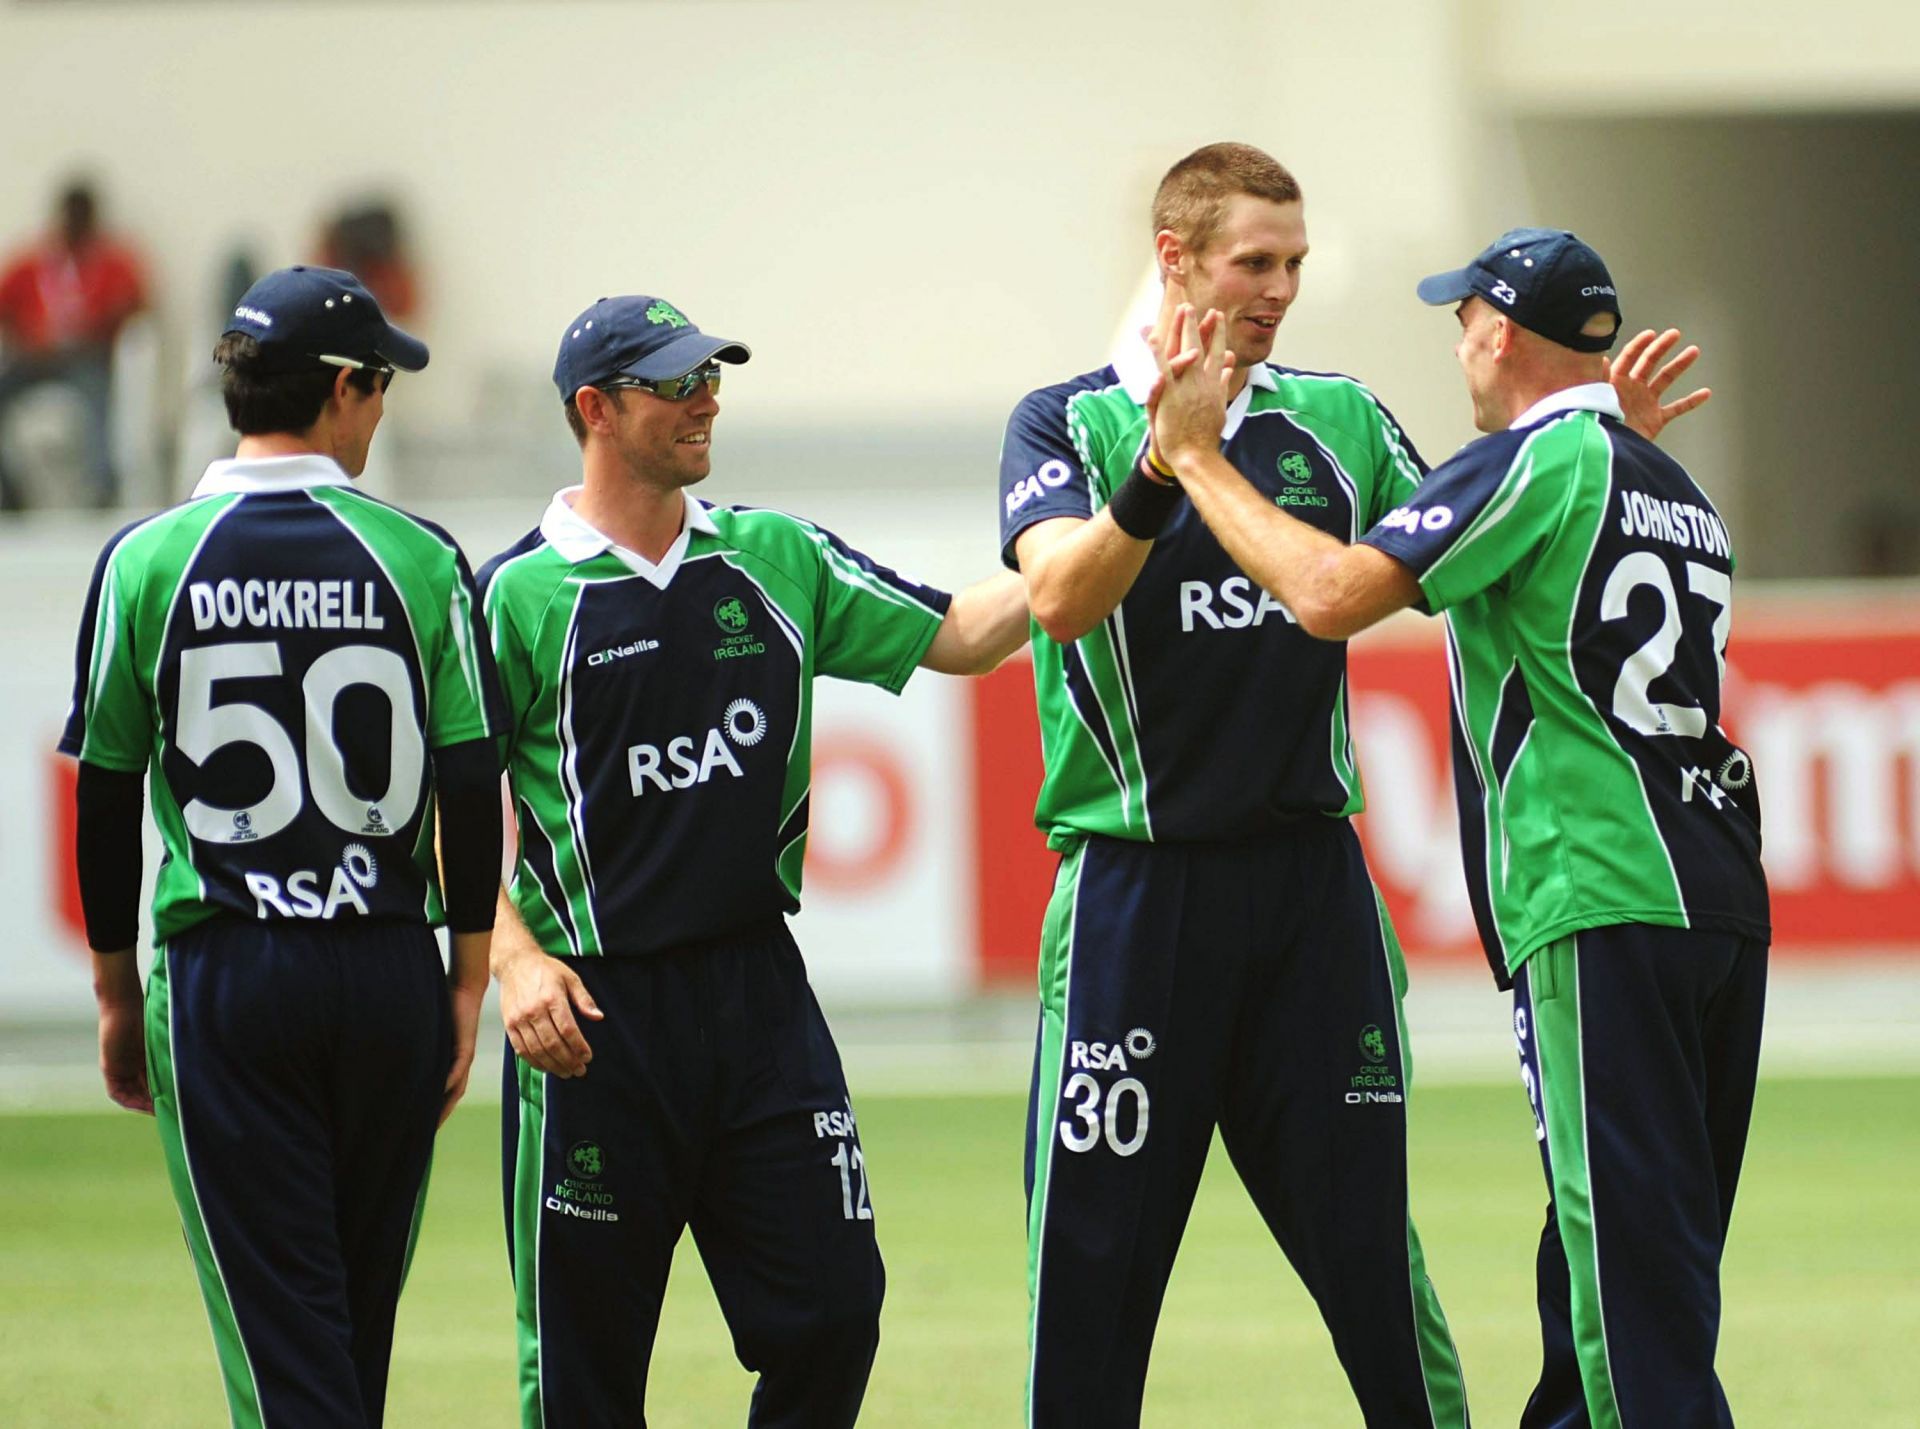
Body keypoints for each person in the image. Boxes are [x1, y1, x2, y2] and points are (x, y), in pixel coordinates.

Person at [1146, 228, 1768, 1428]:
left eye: (1463, 319)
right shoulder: (1671, 484)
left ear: (1498, 330)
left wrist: (1198, 463)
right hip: (1719, 900)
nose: (1457, 344)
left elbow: (1330, 597)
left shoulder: (1528, 461)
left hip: (1602, 891)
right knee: (1630, 1251)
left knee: (1631, 1302)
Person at [480, 293, 1029, 1428]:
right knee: (585, 1373)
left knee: (836, 1311)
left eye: (710, 377)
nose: (707, 399)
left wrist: (1124, 518)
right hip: (592, 1016)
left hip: (758, 998)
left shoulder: (775, 556)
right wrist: (512, 958)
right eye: (676, 383)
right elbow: (441, 806)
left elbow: (964, 634)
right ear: (595, 407)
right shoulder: (514, 595)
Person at [59, 264, 505, 1428]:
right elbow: (468, 779)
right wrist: (464, 985)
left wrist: (116, 993)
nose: (384, 406)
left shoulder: (147, 559)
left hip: (229, 980)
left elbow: (105, 796)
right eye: (383, 383)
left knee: (285, 1349)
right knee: (350, 1337)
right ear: (346, 388)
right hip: (386, 972)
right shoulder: (420, 558)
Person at [0, 180, 147, 508]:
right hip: (36, 358)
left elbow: (136, 301)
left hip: (87, 357)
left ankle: (101, 486)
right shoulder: (34, 262)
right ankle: (8, 491)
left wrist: (98, 325)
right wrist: (24, 337)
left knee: (97, 399)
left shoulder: (111, 262)